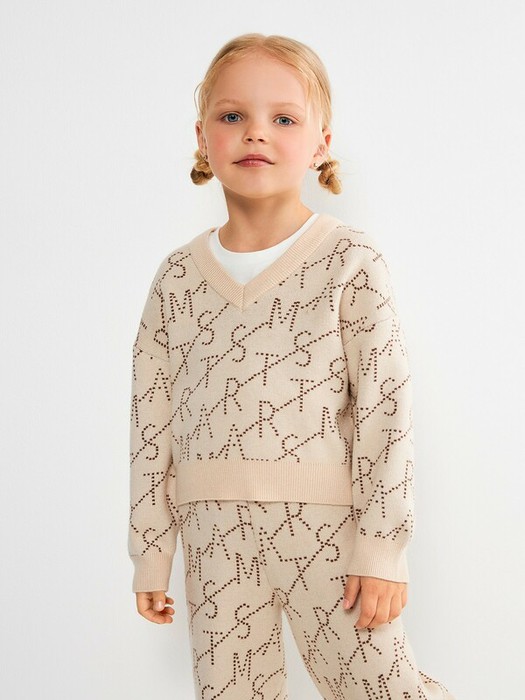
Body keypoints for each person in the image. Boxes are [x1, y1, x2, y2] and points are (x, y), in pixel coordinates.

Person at [128, 32, 456, 700]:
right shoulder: (176, 279)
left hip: (328, 535)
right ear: (202, 137)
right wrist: (151, 553)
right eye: (232, 115)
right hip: (214, 538)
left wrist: (382, 549)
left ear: (320, 144)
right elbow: (149, 423)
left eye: (283, 118)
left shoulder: (349, 260)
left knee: (383, 689)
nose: (256, 132)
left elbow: (385, 411)